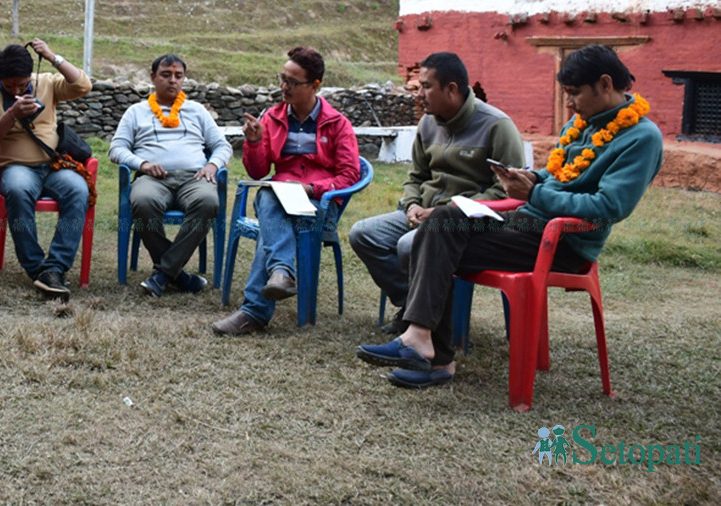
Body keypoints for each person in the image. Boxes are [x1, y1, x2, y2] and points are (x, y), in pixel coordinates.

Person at [356, 45, 663, 388]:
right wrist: (531, 178)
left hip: (563, 242)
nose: (569, 103)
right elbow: (559, 175)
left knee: (431, 243)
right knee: (442, 220)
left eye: (575, 93)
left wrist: (533, 193)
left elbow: (609, 208)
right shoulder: (581, 124)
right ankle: (422, 342)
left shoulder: (641, 137)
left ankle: (434, 357)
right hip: (526, 223)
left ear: (604, 84)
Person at [348, 52, 525, 336]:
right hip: (422, 213)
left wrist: (449, 210)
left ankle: (427, 321)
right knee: (364, 234)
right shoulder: (428, 123)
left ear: (451, 89)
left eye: (426, 86)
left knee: (408, 245)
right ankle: (414, 307)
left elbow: (507, 191)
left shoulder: (496, 126)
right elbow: (416, 177)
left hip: (464, 223)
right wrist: (412, 205)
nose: (419, 94)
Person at [212, 47, 361, 334]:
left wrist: (310, 188)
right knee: (269, 194)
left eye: (293, 82)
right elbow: (257, 172)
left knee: (270, 224)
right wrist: (254, 142)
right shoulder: (272, 117)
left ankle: (255, 310)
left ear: (315, 85)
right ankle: (280, 273)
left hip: (318, 205)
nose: (284, 87)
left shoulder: (337, 123)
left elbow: (349, 175)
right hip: (280, 198)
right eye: (282, 78)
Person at [0, 39, 91, 300]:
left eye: (22, 84)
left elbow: (83, 85)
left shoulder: (46, 82)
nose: (17, 89)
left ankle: (56, 267)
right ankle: (36, 267)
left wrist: (52, 56)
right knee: (17, 190)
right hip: (16, 168)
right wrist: (11, 115)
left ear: (30, 75)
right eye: (9, 86)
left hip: (54, 166)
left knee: (78, 190)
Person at [109, 53, 232, 296]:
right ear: (153, 77)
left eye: (178, 75)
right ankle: (180, 276)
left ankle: (164, 274)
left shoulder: (197, 111)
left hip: (194, 178)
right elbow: (116, 149)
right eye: (166, 75)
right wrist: (143, 164)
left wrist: (212, 165)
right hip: (153, 179)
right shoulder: (136, 112)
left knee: (208, 201)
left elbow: (222, 145)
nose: (173, 80)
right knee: (143, 201)